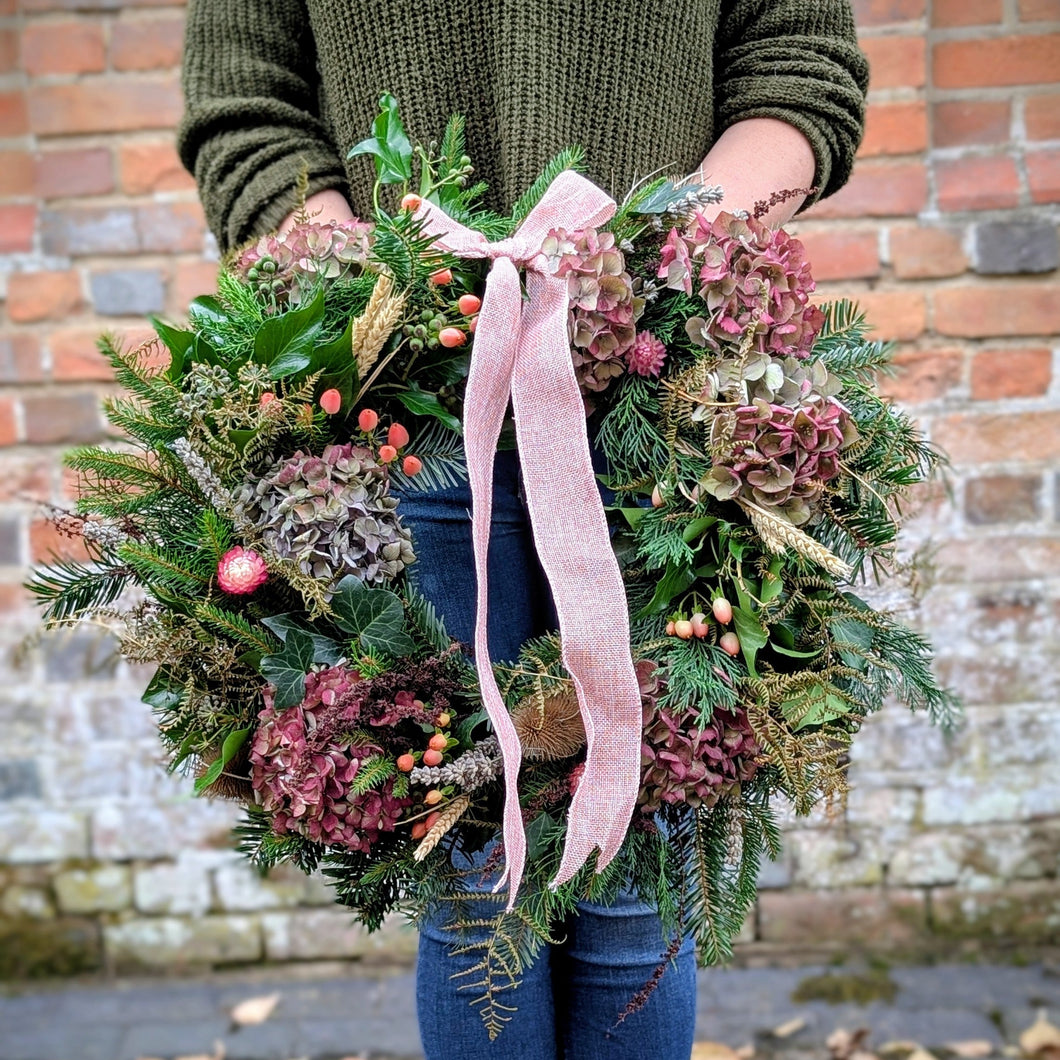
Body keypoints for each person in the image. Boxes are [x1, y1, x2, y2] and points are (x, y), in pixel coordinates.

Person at [178, 3, 868, 1057]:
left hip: (663, 403)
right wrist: (372, 276)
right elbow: (245, 102)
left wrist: (647, 266)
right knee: (473, 880)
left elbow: (796, 64)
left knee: (636, 872)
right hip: (402, 405)